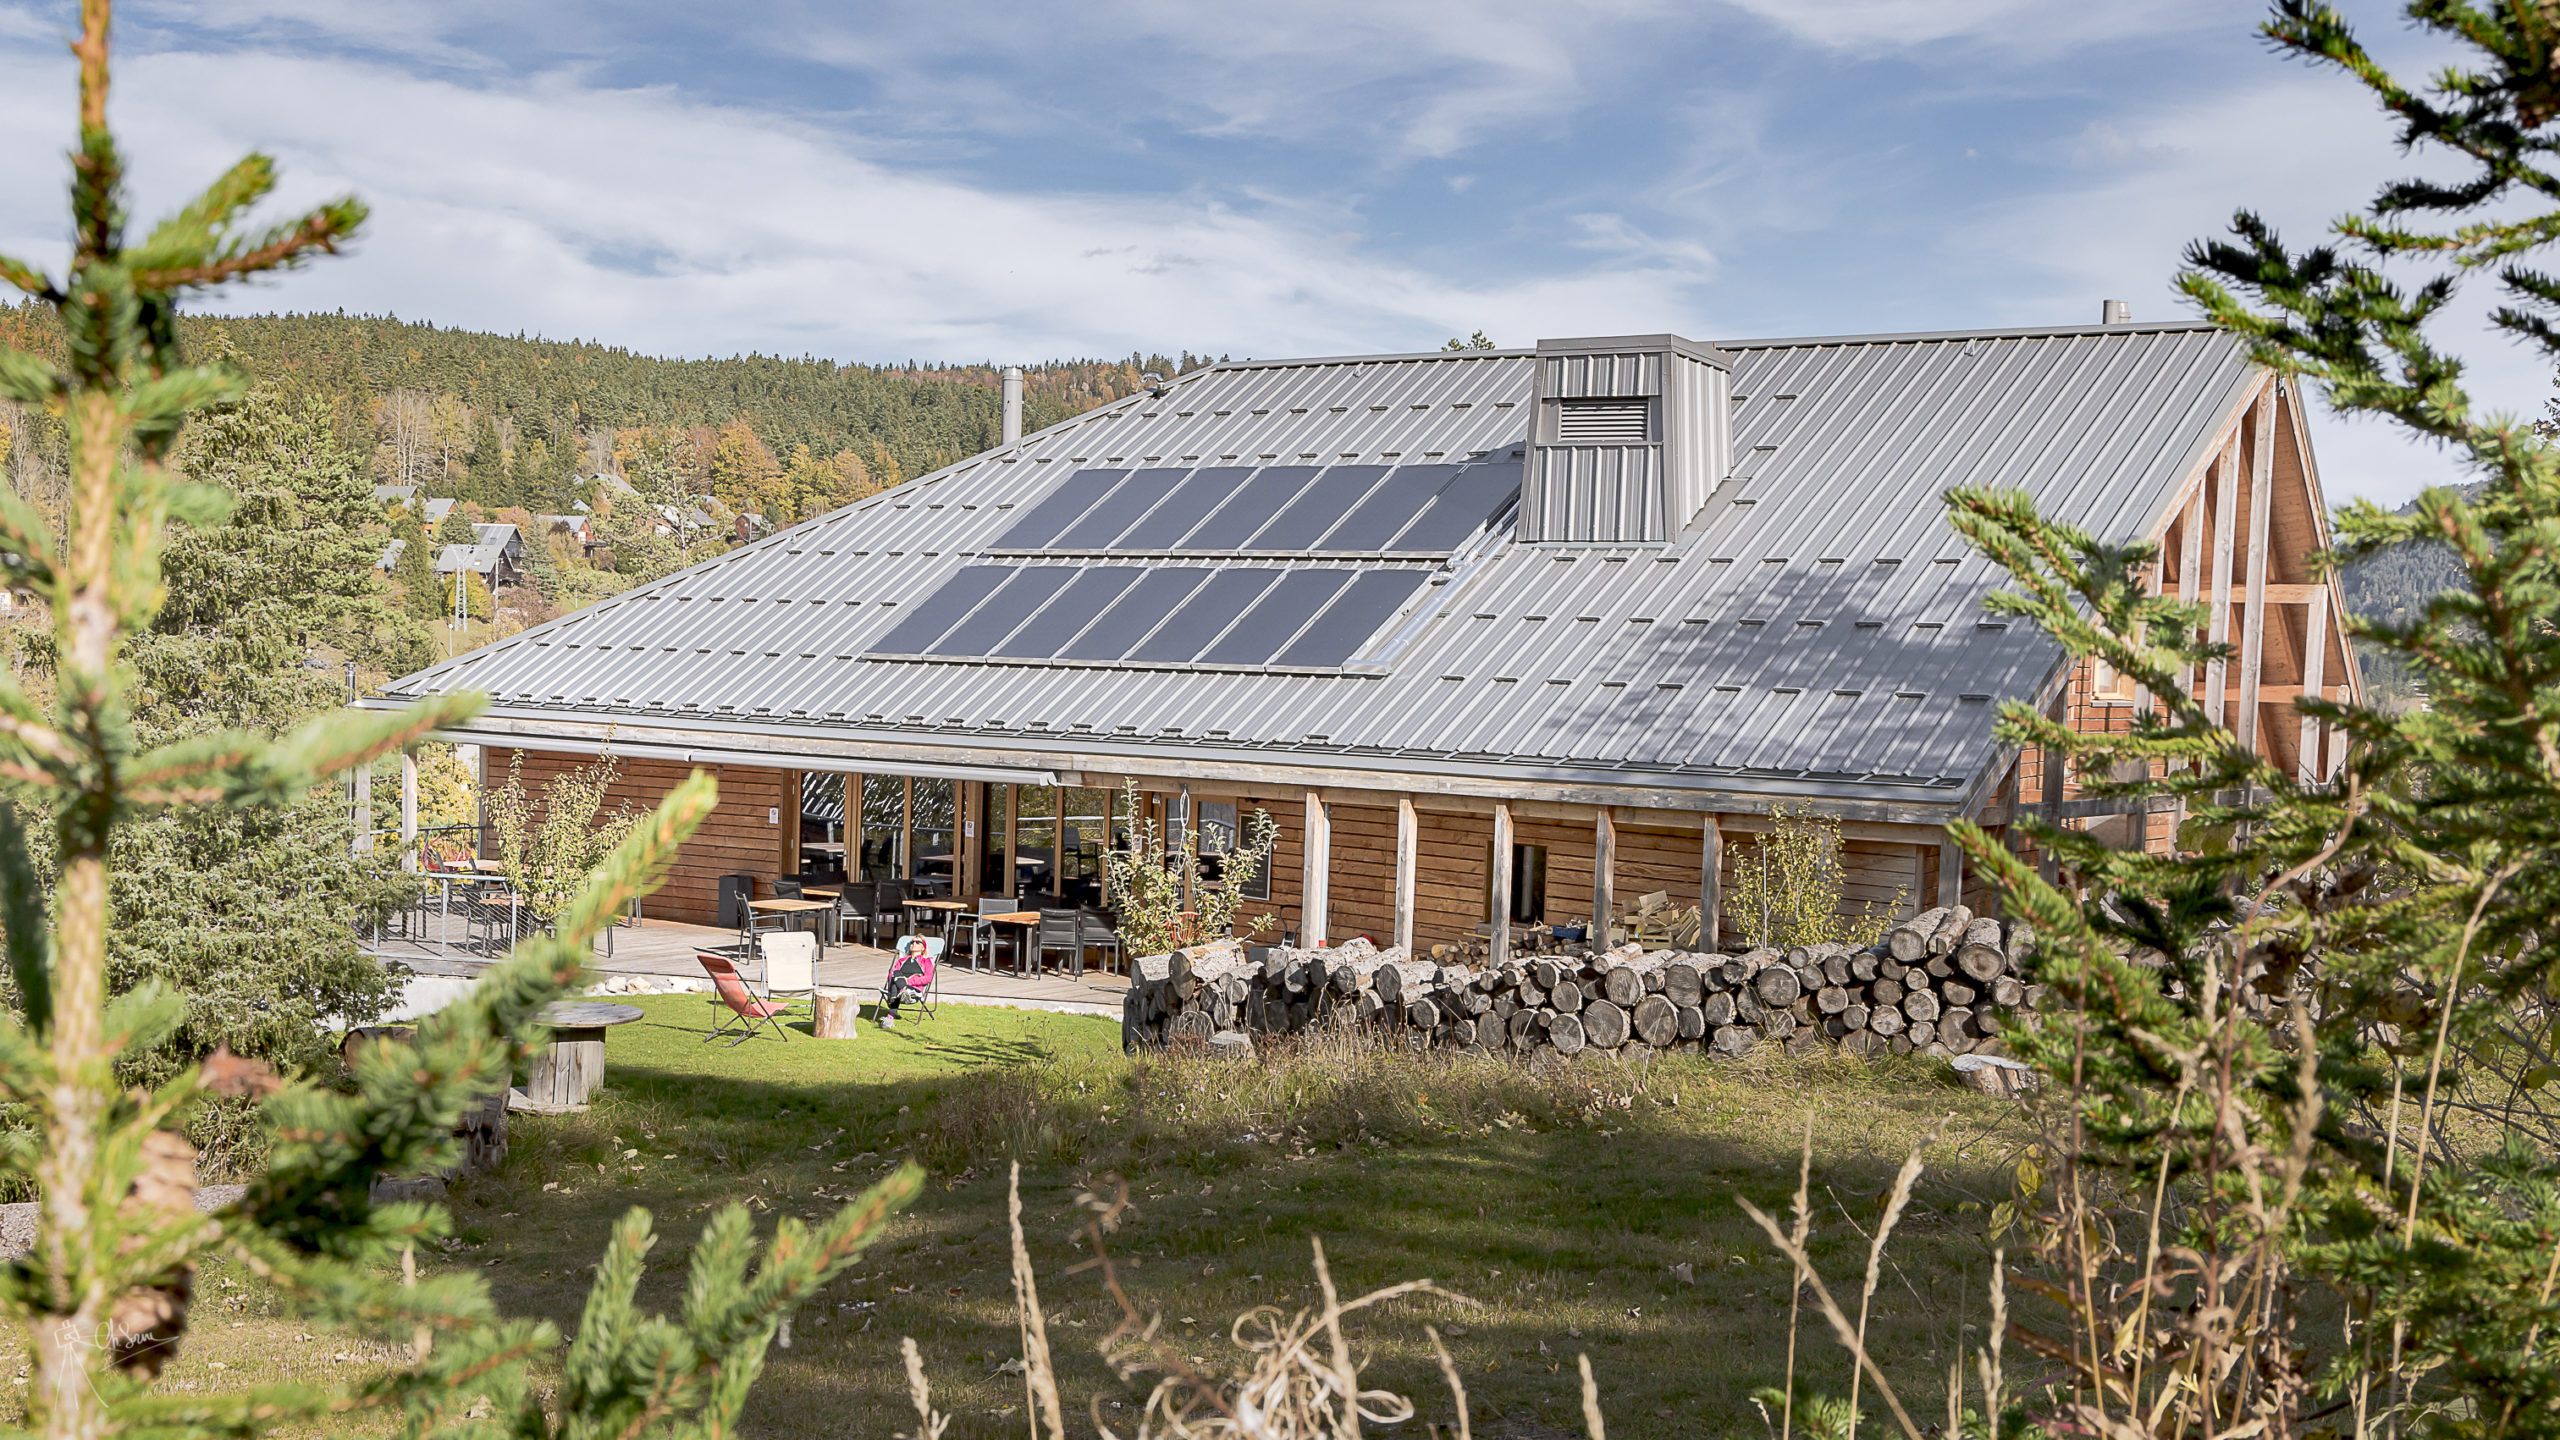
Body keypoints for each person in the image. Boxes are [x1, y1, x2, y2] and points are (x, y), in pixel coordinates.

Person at [879, 936, 935, 1028]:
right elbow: (892, 974)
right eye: (912, 942)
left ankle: (890, 1017)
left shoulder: (926, 961)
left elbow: (928, 978)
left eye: (918, 942)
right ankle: (901, 992)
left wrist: (908, 981)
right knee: (896, 975)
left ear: (923, 948)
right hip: (898, 985)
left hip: (913, 989)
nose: (914, 944)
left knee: (896, 983)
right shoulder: (902, 960)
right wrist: (898, 979)